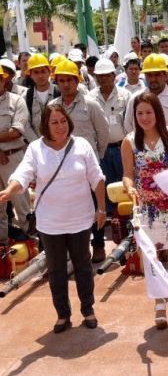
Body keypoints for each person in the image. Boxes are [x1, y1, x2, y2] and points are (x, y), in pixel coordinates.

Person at [1, 105, 105, 333]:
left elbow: (97, 178)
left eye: (63, 121)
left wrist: (102, 209)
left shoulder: (82, 145)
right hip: (50, 222)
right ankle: (62, 315)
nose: (60, 126)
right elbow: (23, 174)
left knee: (83, 266)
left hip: (80, 218)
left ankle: (88, 310)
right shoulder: (36, 149)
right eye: (54, 122)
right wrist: (9, 191)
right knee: (56, 270)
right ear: (45, 126)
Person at [121, 93, 168, 328]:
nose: (145, 117)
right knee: (151, 257)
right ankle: (159, 302)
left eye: (149, 112)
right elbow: (128, 175)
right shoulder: (129, 141)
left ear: (157, 112)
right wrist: (130, 188)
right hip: (146, 209)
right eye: (140, 113)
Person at [51, 60, 110, 262]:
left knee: (95, 206)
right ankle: (73, 250)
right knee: (69, 207)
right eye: (61, 80)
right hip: (61, 169)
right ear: (57, 82)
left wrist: (96, 158)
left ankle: (99, 245)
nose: (66, 84)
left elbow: (103, 134)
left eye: (69, 79)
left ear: (77, 81)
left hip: (88, 167)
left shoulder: (90, 105)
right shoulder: (52, 107)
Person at [90, 58, 131, 218]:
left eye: (107, 75)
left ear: (114, 75)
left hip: (122, 147)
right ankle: (108, 217)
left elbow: (131, 123)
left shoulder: (125, 95)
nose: (103, 79)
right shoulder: (90, 97)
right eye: (99, 76)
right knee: (104, 183)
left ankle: (126, 215)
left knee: (124, 182)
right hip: (101, 149)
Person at [124, 54, 168, 140]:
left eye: (157, 74)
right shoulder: (136, 98)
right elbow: (128, 125)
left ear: (165, 75)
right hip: (144, 151)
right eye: (149, 75)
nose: (153, 79)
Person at [0, 65, 31, 241]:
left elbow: (16, 132)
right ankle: (3, 247)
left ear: (4, 80)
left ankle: (32, 244)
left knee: (22, 206)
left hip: (13, 158)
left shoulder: (16, 101)